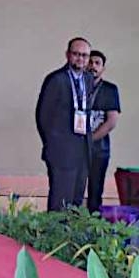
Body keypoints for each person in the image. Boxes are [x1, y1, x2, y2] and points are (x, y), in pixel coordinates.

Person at [35, 37, 93, 212]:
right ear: (68, 55)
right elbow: (43, 116)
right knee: (60, 200)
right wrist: (52, 142)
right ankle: (55, 238)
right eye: (76, 54)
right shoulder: (56, 79)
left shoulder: (88, 79)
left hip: (82, 148)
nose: (80, 59)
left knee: (76, 200)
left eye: (84, 55)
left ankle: (72, 237)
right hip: (61, 150)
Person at [87, 50, 121, 212]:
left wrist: (90, 139)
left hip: (99, 150)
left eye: (97, 63)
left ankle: (93, 229)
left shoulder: (110, 89)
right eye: (90, 62)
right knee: (73, 190)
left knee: (95, 191)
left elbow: (111, 121)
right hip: (75, 149)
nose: (93, 66)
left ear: (103, 68)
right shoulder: (74, 88)